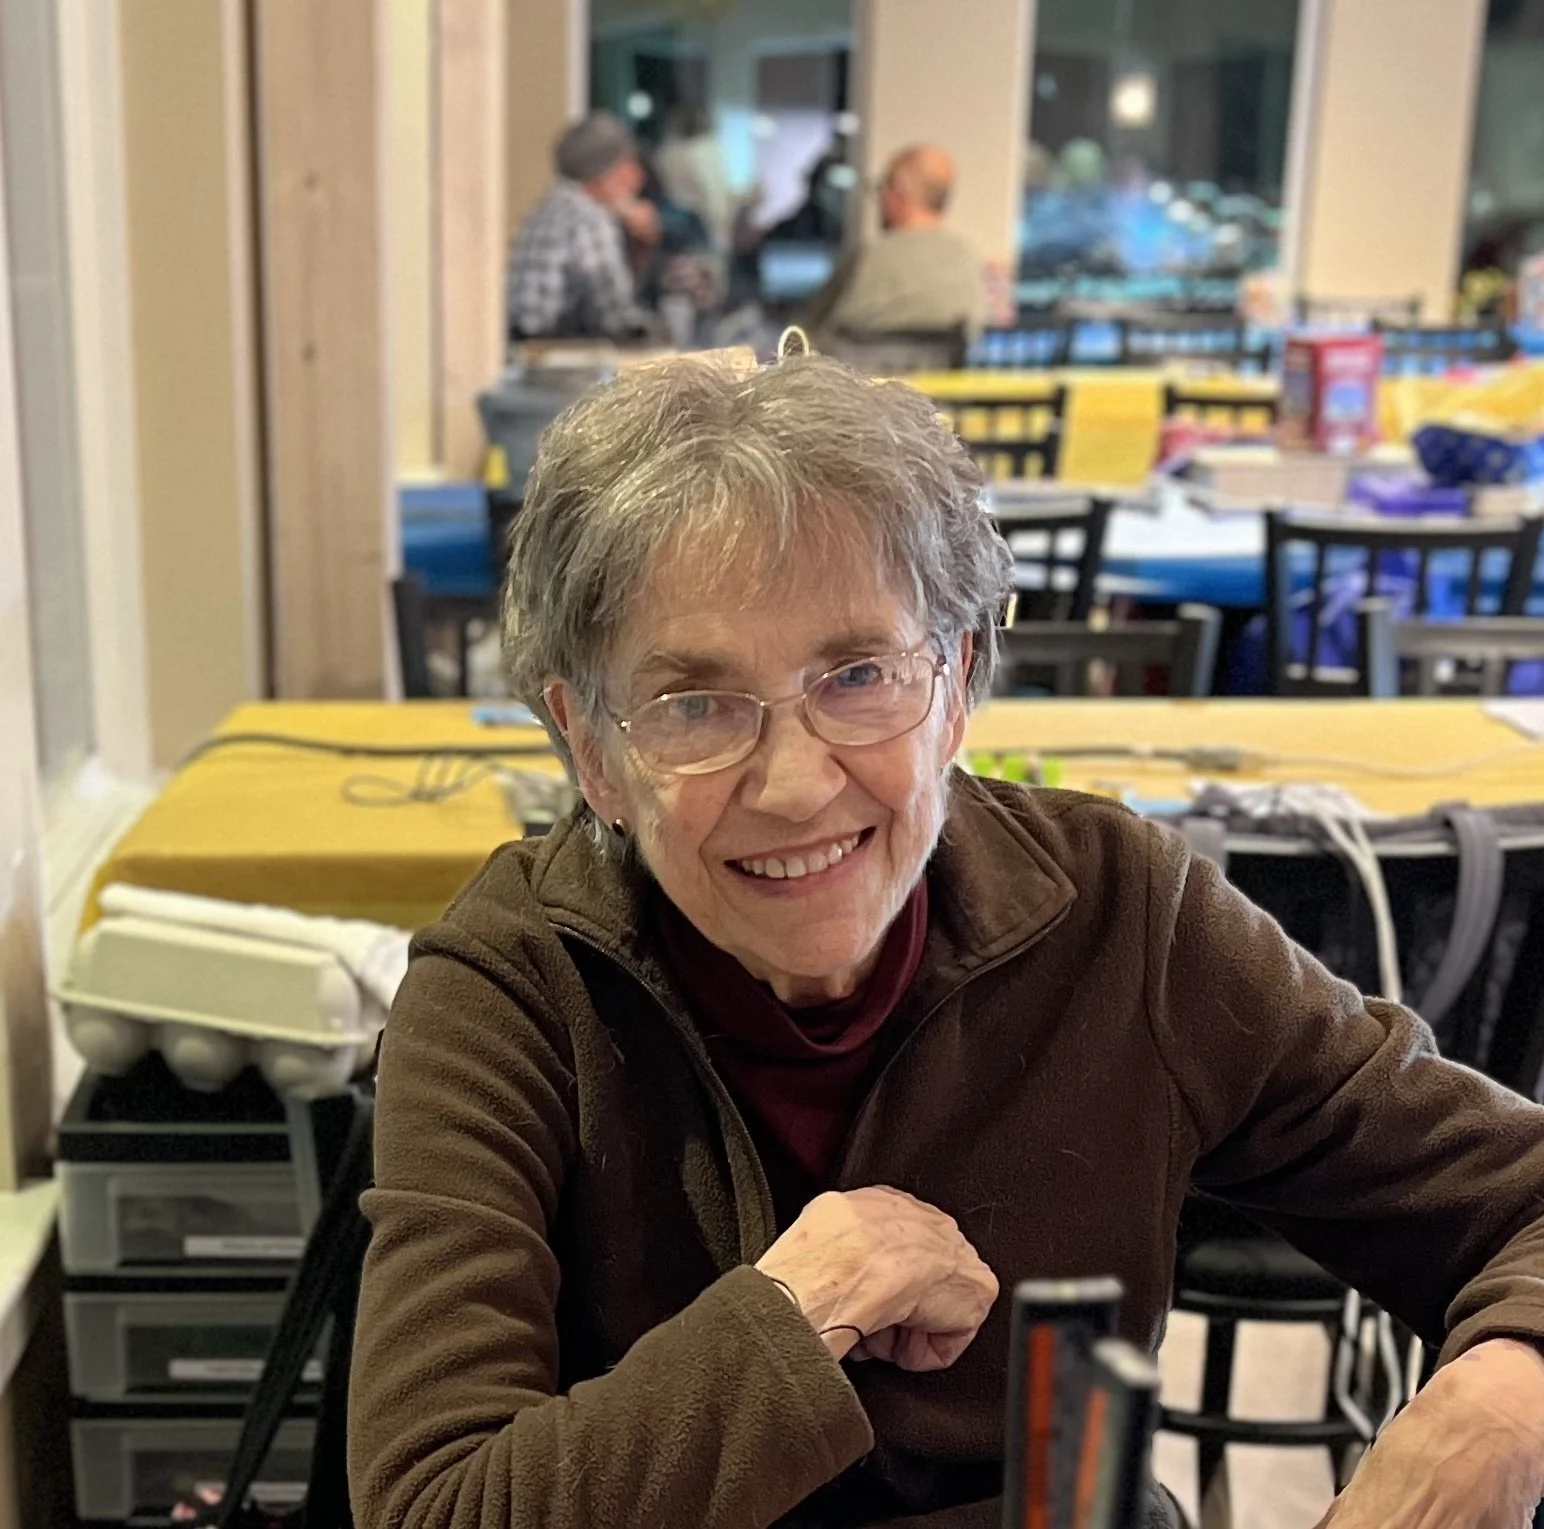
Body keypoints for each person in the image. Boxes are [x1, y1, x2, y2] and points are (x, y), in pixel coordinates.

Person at [349, 348, 1544, 1529]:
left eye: (859, 673)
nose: (796, 782)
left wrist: (1493, 1411)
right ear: (591, 747)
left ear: (959, 677)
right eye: (695, 705)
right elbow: (431, 1504)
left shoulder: (1118, 913)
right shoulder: (506, 989)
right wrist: (800, 1303)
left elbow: (1516, 1199)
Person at [802, 144, 986, 341]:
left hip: (856, 369)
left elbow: (805, 335)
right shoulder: (967, 260)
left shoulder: (868, 258)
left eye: (882, 187)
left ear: (897, 190)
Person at [505, 111, 659, 342]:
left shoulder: (545, 210)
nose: (638, 178)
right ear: (601, 172)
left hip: (523, 350)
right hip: (558, 354)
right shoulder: (589, 218)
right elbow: (615, 314)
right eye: (628, 166)